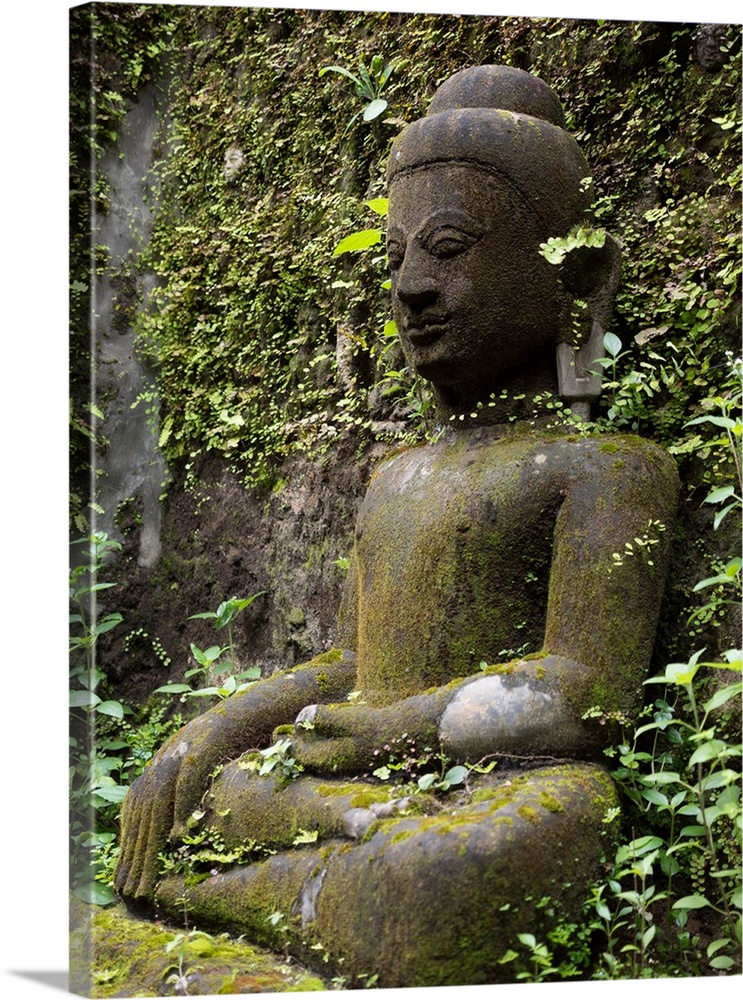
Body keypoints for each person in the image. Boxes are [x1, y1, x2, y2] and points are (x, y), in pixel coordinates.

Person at [115, 66, 679, 987]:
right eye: (396, 259)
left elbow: (585, 692)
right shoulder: (395, 476)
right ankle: (319, 875)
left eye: (448, 247)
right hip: (352, 772)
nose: (412, 287)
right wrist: (207, 734)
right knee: (204, 798)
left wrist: (395, 734)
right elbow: (351, 660)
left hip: (496, 781)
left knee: (435, 875)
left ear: (574, 273)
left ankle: (258, 891)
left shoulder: (607, 468)